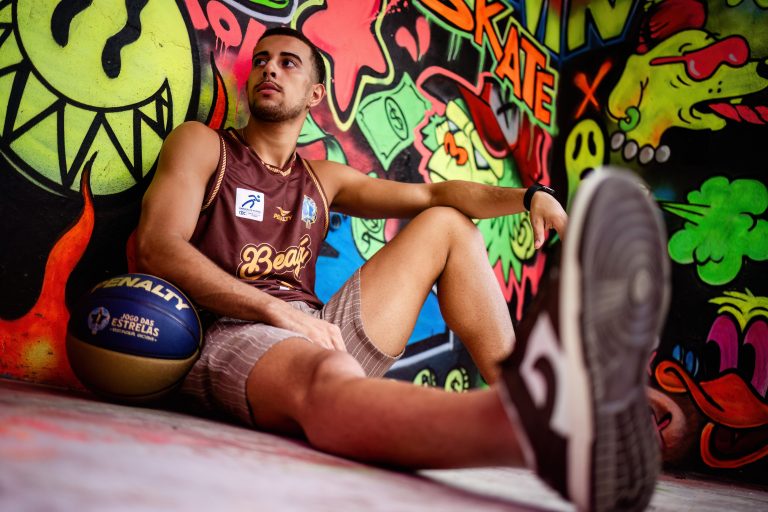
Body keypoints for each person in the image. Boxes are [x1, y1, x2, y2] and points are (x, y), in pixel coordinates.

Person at [136, 26, 669, 511]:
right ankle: (529, 429)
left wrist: (533, 195)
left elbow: (435, 193)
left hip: (314, 328)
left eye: (287, 62)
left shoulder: (323, 178)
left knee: (447, 224)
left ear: (315, 95)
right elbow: (157, 247)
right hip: (231, 330)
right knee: (324, 377)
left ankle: (528, 388)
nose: (269, 69)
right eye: (261, 60)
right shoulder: (205, 145)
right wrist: (275, 310)